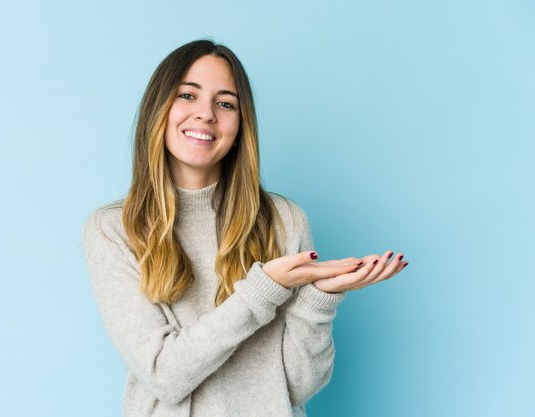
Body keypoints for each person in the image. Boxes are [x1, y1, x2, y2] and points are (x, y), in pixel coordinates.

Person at [81, 39, 408, 417]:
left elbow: (298, 387)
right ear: (159, 107)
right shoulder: (113, 230)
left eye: (225, 103)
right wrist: (264, 289)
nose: (206, 114)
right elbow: (165, 374)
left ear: (241, 124)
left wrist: (318, 301)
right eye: (188, 95)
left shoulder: (285, 221)